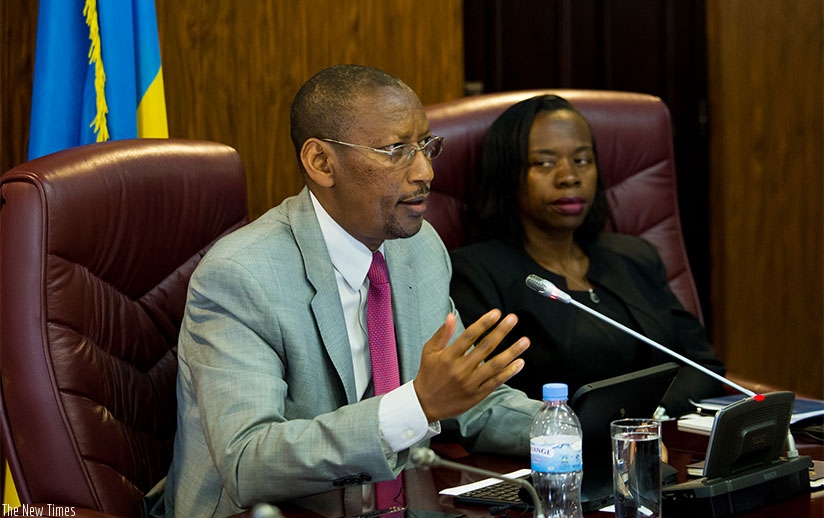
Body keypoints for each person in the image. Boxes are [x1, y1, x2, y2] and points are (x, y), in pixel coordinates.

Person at [162, 65, 541, 517]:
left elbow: (465, 400)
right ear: (321, 162)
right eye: (396, 150)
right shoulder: (241, 275)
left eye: (426, 146)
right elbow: (249, 461)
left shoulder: (418, 248)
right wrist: (416, 404)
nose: (425, 172)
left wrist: (568, 427)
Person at [450, 94, 726, 418]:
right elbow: (483, 400)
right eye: (544, 163)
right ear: (508, 174)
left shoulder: (634, 255)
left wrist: (650, 415)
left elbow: (703, 367)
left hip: (664, 444)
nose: (569, 177)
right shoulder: (477, 273)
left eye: (582, 160)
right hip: (555, 454)